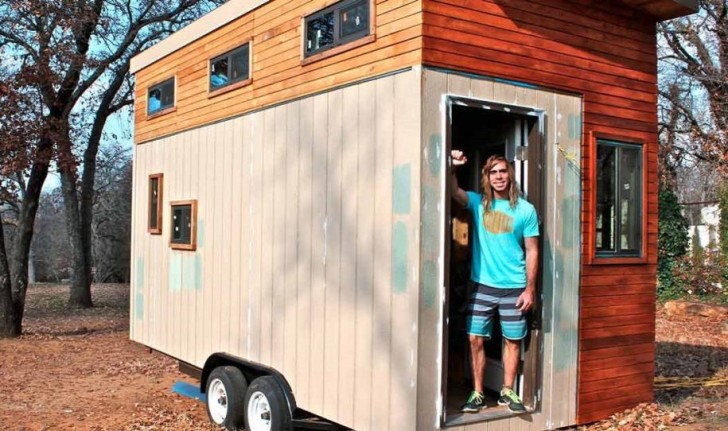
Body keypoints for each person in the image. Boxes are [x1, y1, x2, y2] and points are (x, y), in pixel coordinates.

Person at [450, 149, 539, 414]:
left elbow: (532, 250)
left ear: (510, 175)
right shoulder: (479, 203)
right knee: (475, 339)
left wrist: (530, 289)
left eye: (503, 171)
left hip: (514, 287)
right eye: (493, 173)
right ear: (487, 178)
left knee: (512, 340)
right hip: (482, 286)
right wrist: (452, 166)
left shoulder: (525, 209)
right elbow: (454, 192)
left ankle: (507, 391)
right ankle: (477, 393)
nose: (499, 177)